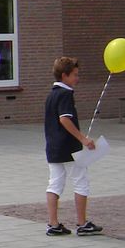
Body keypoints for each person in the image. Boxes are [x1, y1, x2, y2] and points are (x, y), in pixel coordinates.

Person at [44, 57, 102, 237]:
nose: (77, 78)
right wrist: (83, 139)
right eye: (75, 75)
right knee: (81, 181)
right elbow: (64, 119)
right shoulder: (65, 93)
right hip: (69, 147)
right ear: (64, 75)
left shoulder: (51, 94)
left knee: (55, 184)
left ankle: (53, 224)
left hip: (53, 147)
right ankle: (82, 223)